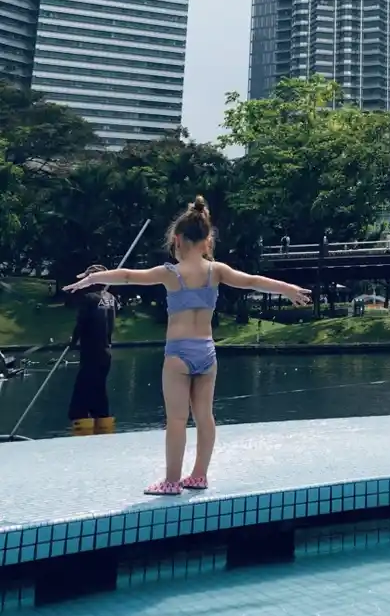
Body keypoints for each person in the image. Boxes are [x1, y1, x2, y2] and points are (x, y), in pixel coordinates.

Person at [64, 195, 310, 495]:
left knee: (177, 419)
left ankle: (170, 481)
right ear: (207, 241)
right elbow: (253, 281)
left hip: (179, 354)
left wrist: (91, 280)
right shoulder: (216, 271)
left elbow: (128, 276)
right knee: (205, 416)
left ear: (178, 240)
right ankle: (199, 475)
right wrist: (289, 289)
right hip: (207, 352)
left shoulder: (171, 274)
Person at [67, 263, 116, 435]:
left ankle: (82, 430)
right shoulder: (110, 298)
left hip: (91, 354)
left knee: (81, 395)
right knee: (99, 391)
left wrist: (72, 342)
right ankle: (104, 426)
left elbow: (81, 324)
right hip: (106, 353)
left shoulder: (88, 299)